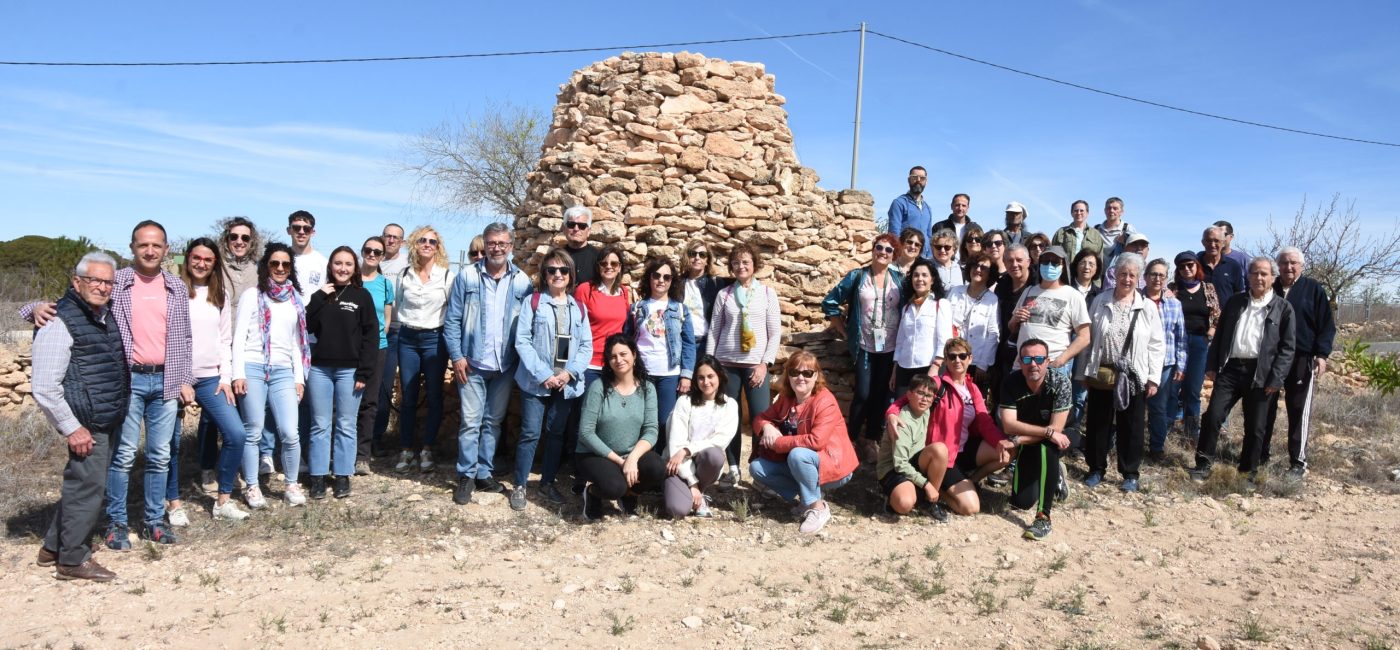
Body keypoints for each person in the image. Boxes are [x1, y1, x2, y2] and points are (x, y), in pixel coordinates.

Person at [30, 221, 200, 549]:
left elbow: (185, 337)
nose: (150, 251)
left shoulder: (175, 286)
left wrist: (184, 378)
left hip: (165, 381)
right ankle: (116, 522)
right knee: (122, 456)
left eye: (156, 245)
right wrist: (32, 308)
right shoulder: (115, 281)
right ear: (133, 248)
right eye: (143, 245)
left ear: (166, 250)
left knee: (160, 456)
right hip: (129, 380)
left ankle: (153, 520)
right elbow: (67, 304)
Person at [32, 252, 126, 581]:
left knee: (82, 485)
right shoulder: (60, 320)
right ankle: (72, 560)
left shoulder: (100, 313)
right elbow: (44, 386)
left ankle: (53, 547)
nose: (101, 287)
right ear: (77, 282)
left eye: (107, 282)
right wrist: (73, 428)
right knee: (87, 488)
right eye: (94, 280)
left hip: (102, 418)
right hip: (85, 423)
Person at [445, 223, 534, 505]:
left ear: (511, 246)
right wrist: (457, 356)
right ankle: (466, 475)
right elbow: (452, 320)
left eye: (502, 243)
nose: (497, 248)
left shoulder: (522, 281)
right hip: (472, 363)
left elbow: (527, 326)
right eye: (492, 243)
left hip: (505, 365)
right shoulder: (468, 276)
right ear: (485, 244)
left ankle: (484, 472)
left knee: (493, 422)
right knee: (470, 422)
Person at [1190, 257, 1296, 482]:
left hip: (1262, 373)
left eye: (1264, 274)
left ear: (1273, 278)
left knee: (1256, 427)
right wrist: (1212, 365)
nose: (1259, 277)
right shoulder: (1235, 302)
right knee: (1213, 416)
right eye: (1255, 273)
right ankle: (1202, 465)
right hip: (1231, 369)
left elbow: (1288, 348)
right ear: (1248, 276)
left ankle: (1248, 472)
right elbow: (1220, 336)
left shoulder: (1283, 308)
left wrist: (1276, 379)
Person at [1077, 253, 1165, 492]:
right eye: (1123, 274)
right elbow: (1089, 337)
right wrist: (1084, 372)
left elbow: (1157, 344)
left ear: (1139, 279)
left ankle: (1130, 473)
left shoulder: (1146, 306)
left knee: (1132, 426)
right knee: (1098, 423)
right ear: (1115, 275)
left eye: (1132, 275)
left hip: (1133, 376)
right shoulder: (1100, 300)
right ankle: (1095, 469)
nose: (1127, 279)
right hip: (1102, 372)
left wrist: (1153, 378)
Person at [513, 248, 593, 510]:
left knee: (556, 433)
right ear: (544, 275)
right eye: (552, 270)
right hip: (536, 381)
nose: (557, 275)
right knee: (530, 433)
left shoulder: (578, 307)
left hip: (567, 383)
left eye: (563, 270)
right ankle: (521, 484)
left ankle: (547, 481)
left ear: (570, 275)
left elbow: (586, 347)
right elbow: (522, 341)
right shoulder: (533, 302)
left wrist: (568, 373)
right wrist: (544, 374)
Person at [232, 243, 309, 508]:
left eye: (285, 264)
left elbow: (298, 344)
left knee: (290, 431)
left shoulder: (295, 299)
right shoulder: (252, 295)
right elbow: (239, 336)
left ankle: (291, 483)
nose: (279, 268)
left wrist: (299, 378)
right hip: (253, 367)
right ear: (266, 266)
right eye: (274, 263)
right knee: (252, 431)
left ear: (291, 268)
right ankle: (252, 486)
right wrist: (237, 373)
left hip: (283, 370)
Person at [178, 239, 250, 521]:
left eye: (208, 260)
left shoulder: (217, 293)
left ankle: (223, 500)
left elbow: (224, 339)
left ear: (215, 264)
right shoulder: (175, 291)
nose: (201, 264)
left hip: (211, 378)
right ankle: (171, 502)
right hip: (176, 376)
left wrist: (225, 377)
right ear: (188, 259)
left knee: (236, 434)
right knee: (168, 445)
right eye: (197, 258)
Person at [750, 352, 858, 534]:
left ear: (816, 376)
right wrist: (766, 427)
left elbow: (816, 441)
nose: (800, 377)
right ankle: (808, 499)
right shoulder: (787, 398)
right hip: (804, 464)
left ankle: (818, 508)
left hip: (833, 466)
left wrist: (778, 443)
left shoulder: (825, 401)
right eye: (794, 372)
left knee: (798, 454)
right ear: (788, 375)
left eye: (807, 373)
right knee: (757, 468)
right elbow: (760, 418)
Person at [822, 233, 904, 461]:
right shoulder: (858, 277)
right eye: (880, 247)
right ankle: (850, 438)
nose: (883, 253)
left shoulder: (898, 279)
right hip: (864, 346)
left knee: (880, 395)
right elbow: (829, 302)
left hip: (890, 347)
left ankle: (871, 440)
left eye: (889, 250)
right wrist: (844, 330)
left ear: (894, 255)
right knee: (863, 393)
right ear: (873, 249)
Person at [306, 247, 378, 500]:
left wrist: (364, 372)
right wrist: (317, 297)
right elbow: (309, 325)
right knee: (320, 425)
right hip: (320, 369)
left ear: (354, 268)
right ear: (331, 266)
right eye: (338, 263)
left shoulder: (362, 296)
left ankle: (343, 475)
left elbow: (371, 337)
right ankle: (317, 476)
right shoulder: (322, 294)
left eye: (348, 264)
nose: (343, 268)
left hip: (350, 370)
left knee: (346, 424)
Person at [708, 243, 782, 485]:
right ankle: (732, 468)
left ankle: (761, 469)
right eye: (736, 262)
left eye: (746, 262)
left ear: (754, 266)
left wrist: (764, 364)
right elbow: (714, 332)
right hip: (726, 365)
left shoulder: (767, 294)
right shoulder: (724, 295)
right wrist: (711, 366)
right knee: (731, 419)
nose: (741, 266)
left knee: (761, 418)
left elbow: (774, 334)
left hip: (755, 366)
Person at [1265, 246, 1336, 480]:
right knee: (1263, 408)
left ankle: (1298, 462)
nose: (1288, 267)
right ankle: (1259, 454)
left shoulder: (1313, 289)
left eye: (1293, 263)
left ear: (1301, 265)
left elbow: (1326, 326)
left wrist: (1322, 355)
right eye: (1284, 263)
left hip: (1301, 358)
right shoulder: (1268, 288)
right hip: (1270, 358)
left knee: (1298, 410)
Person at [578, 334, 662, 521]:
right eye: (613, 356)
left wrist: (632, 458)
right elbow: (585, 432)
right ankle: (592, 493)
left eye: (623, 354)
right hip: (597, 455)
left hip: (630, 453)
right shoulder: (598, 387)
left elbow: (651, 430)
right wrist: (620, 461)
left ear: (634, 355)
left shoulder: (648, 389)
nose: (619, 360)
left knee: (657, 468)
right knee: (614, 487)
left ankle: (630, 495)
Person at [999, 339, 1075, 541]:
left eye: (1039, 358)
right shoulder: (1011, 382)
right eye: (1027, 358)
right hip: (1032, 441)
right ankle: (1055, 475)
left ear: (1048, 361)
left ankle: (1044, 517)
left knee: (1048, 446)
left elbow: (1056, 429)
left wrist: (1018, 440)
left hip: (1061, 439)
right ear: (1020, 361)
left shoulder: (1060, 382)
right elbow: (1008, 424)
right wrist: (1035, 436)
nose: (1033, 363)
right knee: (1020, 502)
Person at [394, 226, 454, 473]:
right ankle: (406, 449)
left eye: (432, 241)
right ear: (414, 244)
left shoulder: (447, 276)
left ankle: (427, 448)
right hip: (408, 338)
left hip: (434, 339)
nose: (427, 244)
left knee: (434, 395)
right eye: (422, 240)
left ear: (438, 247)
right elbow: (397, 304)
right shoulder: (404, 274)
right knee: (408, 397)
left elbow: (452, 311)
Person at [624, 256, 697, 456]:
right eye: (656, 275)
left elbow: (689, 344)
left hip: (669, 374)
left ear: (672, 281)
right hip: (641, 374)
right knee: (642, 421)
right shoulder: (637, 308)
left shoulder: (680, 309)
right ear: (649, 278)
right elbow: (627, 340)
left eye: (667, 276)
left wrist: (686, 375)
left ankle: (660, 468)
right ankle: (641, 465)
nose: (661, 280)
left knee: (665, 422)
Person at [663, 356, 738, 518]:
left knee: (714, 454)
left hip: (704, 464)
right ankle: (687, 489)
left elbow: (719, 441)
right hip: (679, 466)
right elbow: (675, 444)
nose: (706, 382)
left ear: (719, 376)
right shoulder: (684, 402)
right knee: (678, 510)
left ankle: (700, 493)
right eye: (701, 377)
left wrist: (687, 449)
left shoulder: (730, 405)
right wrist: (692, 482)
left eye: (710, 376)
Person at [1009, 245, 1091, 378]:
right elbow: (1012, 327)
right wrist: (1015, 319)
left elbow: (1084, 336)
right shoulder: (1029, 291)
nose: (1049, 265)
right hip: (1023, 364)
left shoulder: (1073, 295)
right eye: (1046, 261)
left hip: (1053, 367)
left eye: (1055, 262)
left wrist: (1061, 360)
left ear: (1063, 265)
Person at [354, 236, 394, 475]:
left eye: (377, 252)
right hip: (348, 349)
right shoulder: (349, 280)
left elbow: (387, 319)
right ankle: (340, 451)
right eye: (368, 250)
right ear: (362, 251)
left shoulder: (386, 284)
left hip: (376, 348)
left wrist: (376, 339)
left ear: (382, 256)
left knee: (370, 401)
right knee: (345, 402)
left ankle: (362, 456)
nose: (372, 254)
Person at [1169, 251, 1219, 443]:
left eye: (1190, 265)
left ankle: (1191, 434)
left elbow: (1216, 314)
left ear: (1196, 266)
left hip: (1199, 342)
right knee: (1173, 386)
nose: (1186, 269)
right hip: (1176, 342)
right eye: (1182, 266)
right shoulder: (1173, 289)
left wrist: (1210, 334)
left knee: (1193, 389)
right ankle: (1168, 427)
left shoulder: (1207, 288)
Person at [876, 375, 943, 518]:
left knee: (940, 450)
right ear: (909, 394)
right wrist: (927, 485)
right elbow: (900, 464)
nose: (924, 399)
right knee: (904, 504)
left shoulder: (925, 411)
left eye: (929, 395)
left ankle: (928, 503)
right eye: (920, 393)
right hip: (893, 468)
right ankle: (891, 495)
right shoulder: (902, 422)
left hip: (912, 462)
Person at [1144, 258, 1187, 463]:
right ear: (1145, 277)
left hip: (1165, 363)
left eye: (1162, 275)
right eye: (1153, 274)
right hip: (1138, 361)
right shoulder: (1136, 299)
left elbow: (1180, 336)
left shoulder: (1174, 304)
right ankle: (1128, 444)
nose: (1157, 278)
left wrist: (1181, 363)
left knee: (1158, 407)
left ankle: (1156, 448)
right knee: (1130, 406)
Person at [893, 258, 954, 392]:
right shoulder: (907, 308)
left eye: (924, 275)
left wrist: (936, 366)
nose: (919, 279)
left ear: (932, 280)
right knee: (901, 409)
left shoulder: (940, 304)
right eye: (916, 275)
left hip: (928, 367)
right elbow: (901, 341)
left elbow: (945, 339)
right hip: (904, 367)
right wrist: (895, 370)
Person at [373, 223, 408, 455]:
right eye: (388, 236)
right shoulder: (372, 258)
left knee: (386, 388)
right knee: (368, 387)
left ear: (402, 242)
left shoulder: (407, 264)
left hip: (397, 330)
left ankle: (377, 438)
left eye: (396, 237)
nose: (391, 240)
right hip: (371, 332)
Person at [947, 252, 1000, 396]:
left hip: (975, 362)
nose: (978, 270)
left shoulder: (992, 299)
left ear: (990, 274)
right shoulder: (955, 292)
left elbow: (993, 333)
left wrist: (983, 364)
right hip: (952, 358)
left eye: (984, 268)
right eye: (975, 266)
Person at [1066, 248, 1105, 440]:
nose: (1086, 267)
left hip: (1086, 345)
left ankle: (1073, 433)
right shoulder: (1064, 288)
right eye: (1083, 262)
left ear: (1097, 269)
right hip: (1064, 343)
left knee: (1079, 393)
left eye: (1091, 263)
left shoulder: (1100, 295)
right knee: (1062, 389)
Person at [991, 243, 1033, 414]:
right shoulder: (1002, 285)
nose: (1014, 264)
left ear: (1028, 262)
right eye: (1009, 261)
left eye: (1019, 260)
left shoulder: (1037, 285)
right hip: (1004, 351)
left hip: (1028, 352)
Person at [681, 238, 726, 357]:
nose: (697, 258)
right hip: (682, 342)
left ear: (707, 260)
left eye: (702, 255)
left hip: (706, 342)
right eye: (693, 254)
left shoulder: (715, 284)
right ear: (687, 257)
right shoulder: (677, 284)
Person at [886, 166, 934, 258]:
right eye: (914, 177)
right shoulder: (899, 203)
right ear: (909, 180)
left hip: (923, 258)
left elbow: (929, 236)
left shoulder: (928, 208)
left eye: (922, 178)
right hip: (904, 257)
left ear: (926, 181)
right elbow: (894, 234)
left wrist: (929, 256)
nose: (918, 180)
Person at [1052, 200, 1106, 264]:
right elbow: (1053, 255)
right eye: (1076, 210)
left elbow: (1099, 258)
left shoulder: (1095, 234)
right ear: (1071, 213)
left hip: (1087, 272)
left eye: (1082, 210)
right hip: (1066, 272)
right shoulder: (1061, 232)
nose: (1078, 213)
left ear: (1087, 213)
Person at [932, 194, 982, 262]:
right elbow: (933, 249)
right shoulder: (940, 227)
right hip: (945, 265)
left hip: (969, 266)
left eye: (963, 205)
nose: (960, 208)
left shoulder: (975, 228)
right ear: (951, 206)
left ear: (968, 208)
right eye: (957, 205)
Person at [1200, 225, 1244, 299]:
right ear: (1203, 242)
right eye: (1208, 241)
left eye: (1216, 241)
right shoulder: (1194, 265)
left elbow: (1238, 294)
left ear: (1223, 243)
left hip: (1228, 310)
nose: (1212, 245)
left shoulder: (1233, 266)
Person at [562, 206, 601, 287]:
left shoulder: (599, 258)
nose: (576, 229)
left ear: (589, 231)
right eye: (571, 224)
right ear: (564, 228)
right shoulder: (556, 257)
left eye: (582, 226)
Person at [1095, 197, 1138, 268]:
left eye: (1115, 208)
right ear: (1105, 210)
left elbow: (1138, 252)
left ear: (1121, 212)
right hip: (1099, 275)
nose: (1111, 211)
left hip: (1119, 275)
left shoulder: (1128, 229)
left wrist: (1126, 241)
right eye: (1109, 208)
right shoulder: (1097, 229)